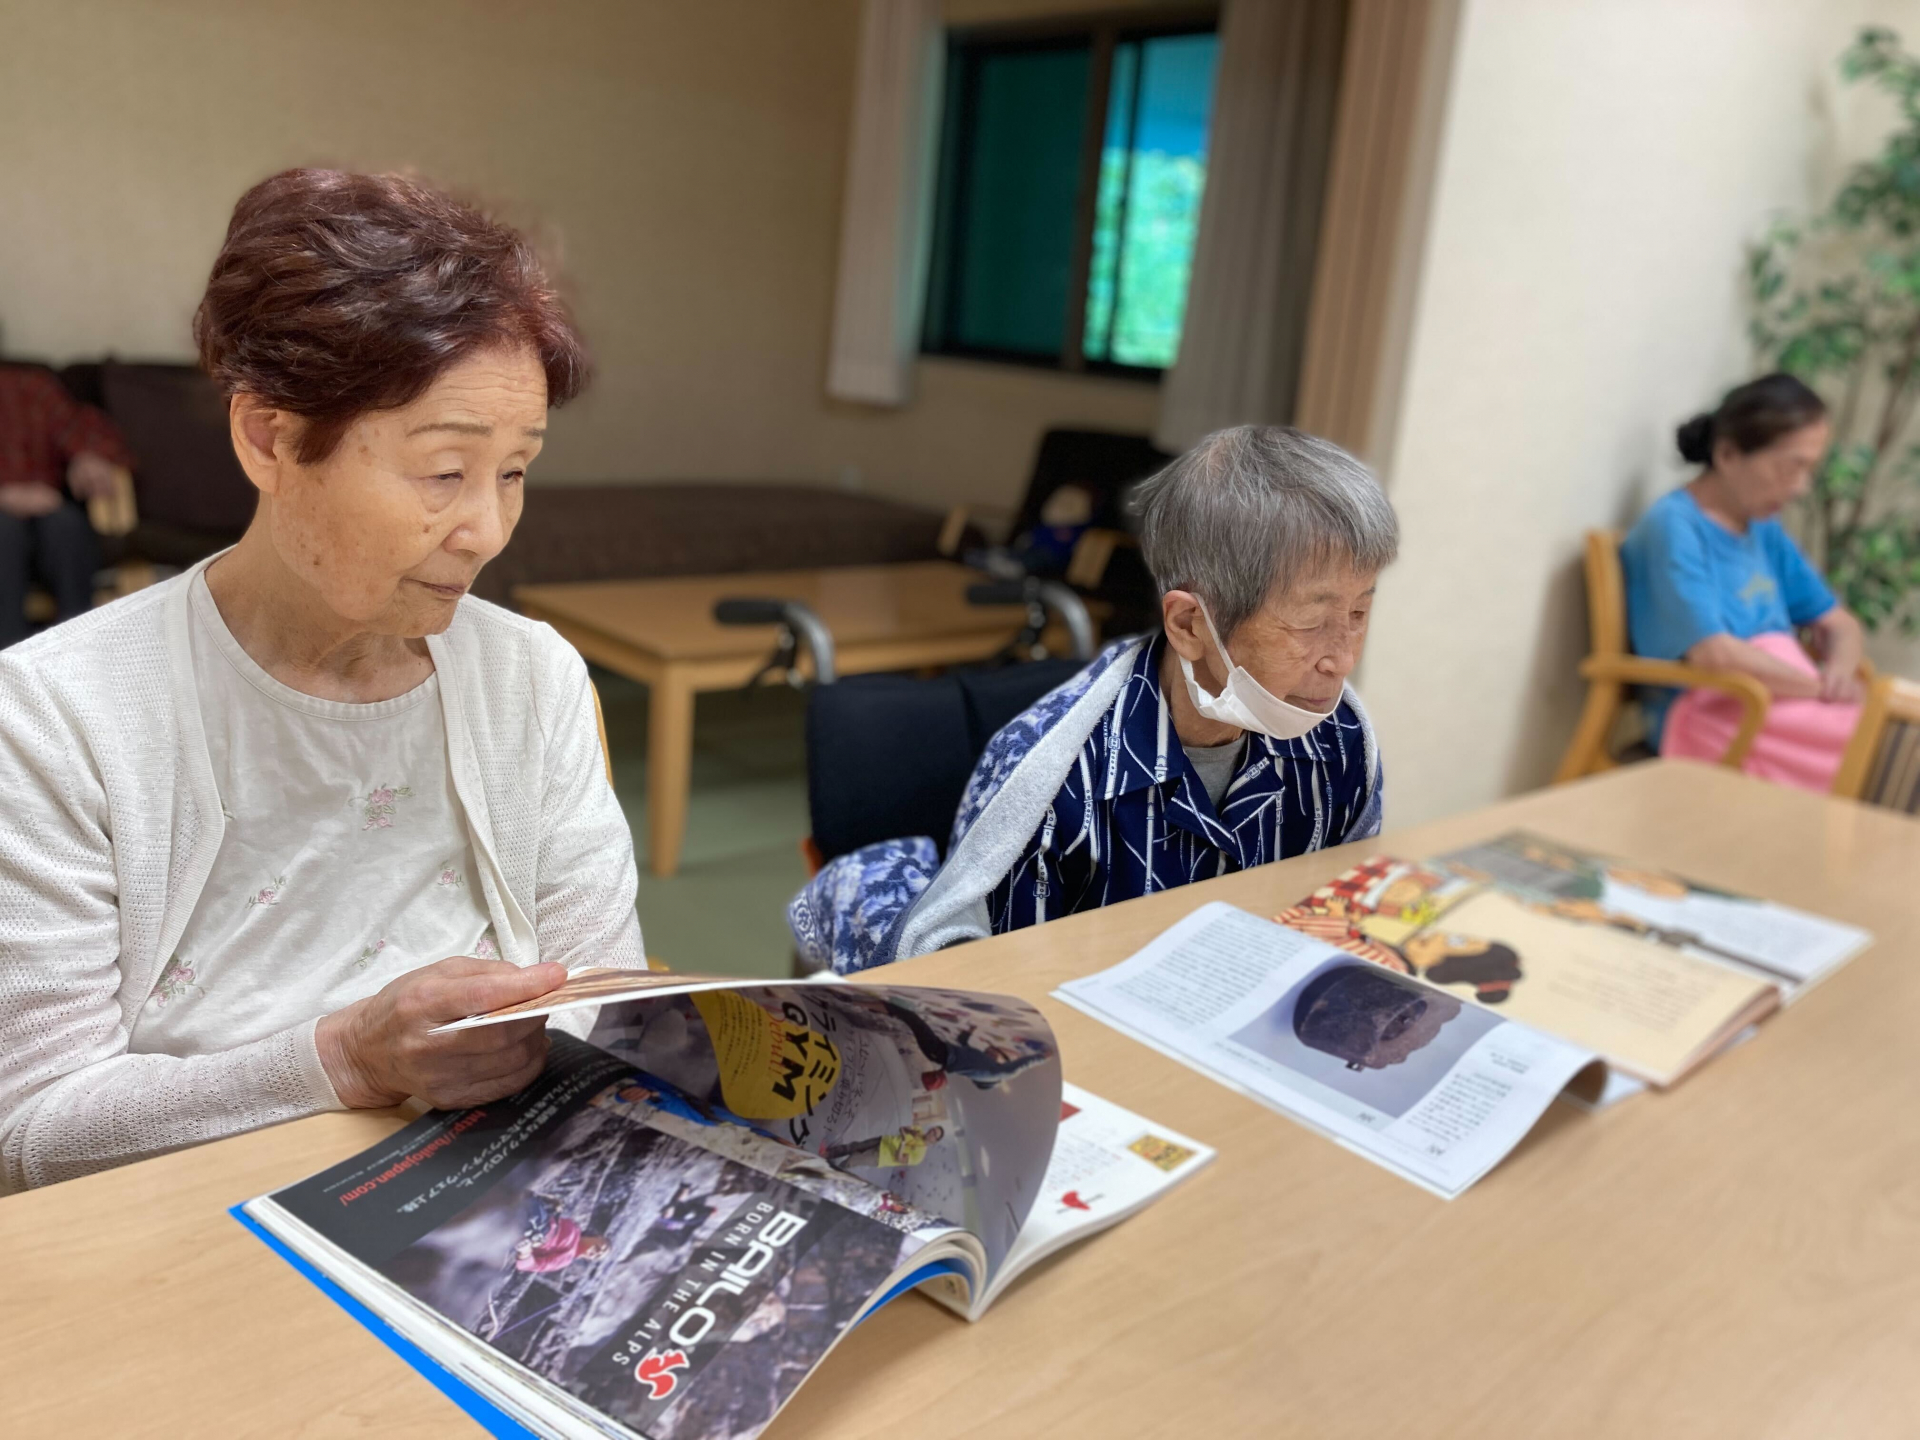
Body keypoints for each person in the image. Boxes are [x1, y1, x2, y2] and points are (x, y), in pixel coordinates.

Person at [0, 170, 643, 1194]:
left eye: (515, 470)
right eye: (445, 471)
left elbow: (606, 1005)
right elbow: (31, 1132)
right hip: (183, 1223)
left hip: (493, 1197)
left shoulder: (531, 677)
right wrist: (347, 1058)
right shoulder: (56, 715)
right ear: (271, 437)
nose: (486, 530)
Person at [788, 425, 1397, 974]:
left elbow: (1334, 925)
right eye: (1310, 621)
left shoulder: (1341, 738)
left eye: (1359, 613)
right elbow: (1007, 1001)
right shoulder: (1054, 783)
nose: (1341, 659)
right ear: (1189, 625)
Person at [1620, 374, 1867, 792]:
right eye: (1791, 467)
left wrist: (1840, 674)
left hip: (1780, 698)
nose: (1800, 488)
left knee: (1889, 741)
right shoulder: (1674, 527)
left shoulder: (1762, 527)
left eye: (1809, 470)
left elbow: (1841, 624)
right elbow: (1715, 656)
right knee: (1881, 754)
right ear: (1728, 454)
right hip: (1714, 710)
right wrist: (1816, 688)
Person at [0, 366, 134, 647]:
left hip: (47, 506)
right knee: (6, 534)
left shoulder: (31, 387)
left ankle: (78, 651)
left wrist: (87, 457)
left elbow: (82, 429)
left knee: (66, 526)